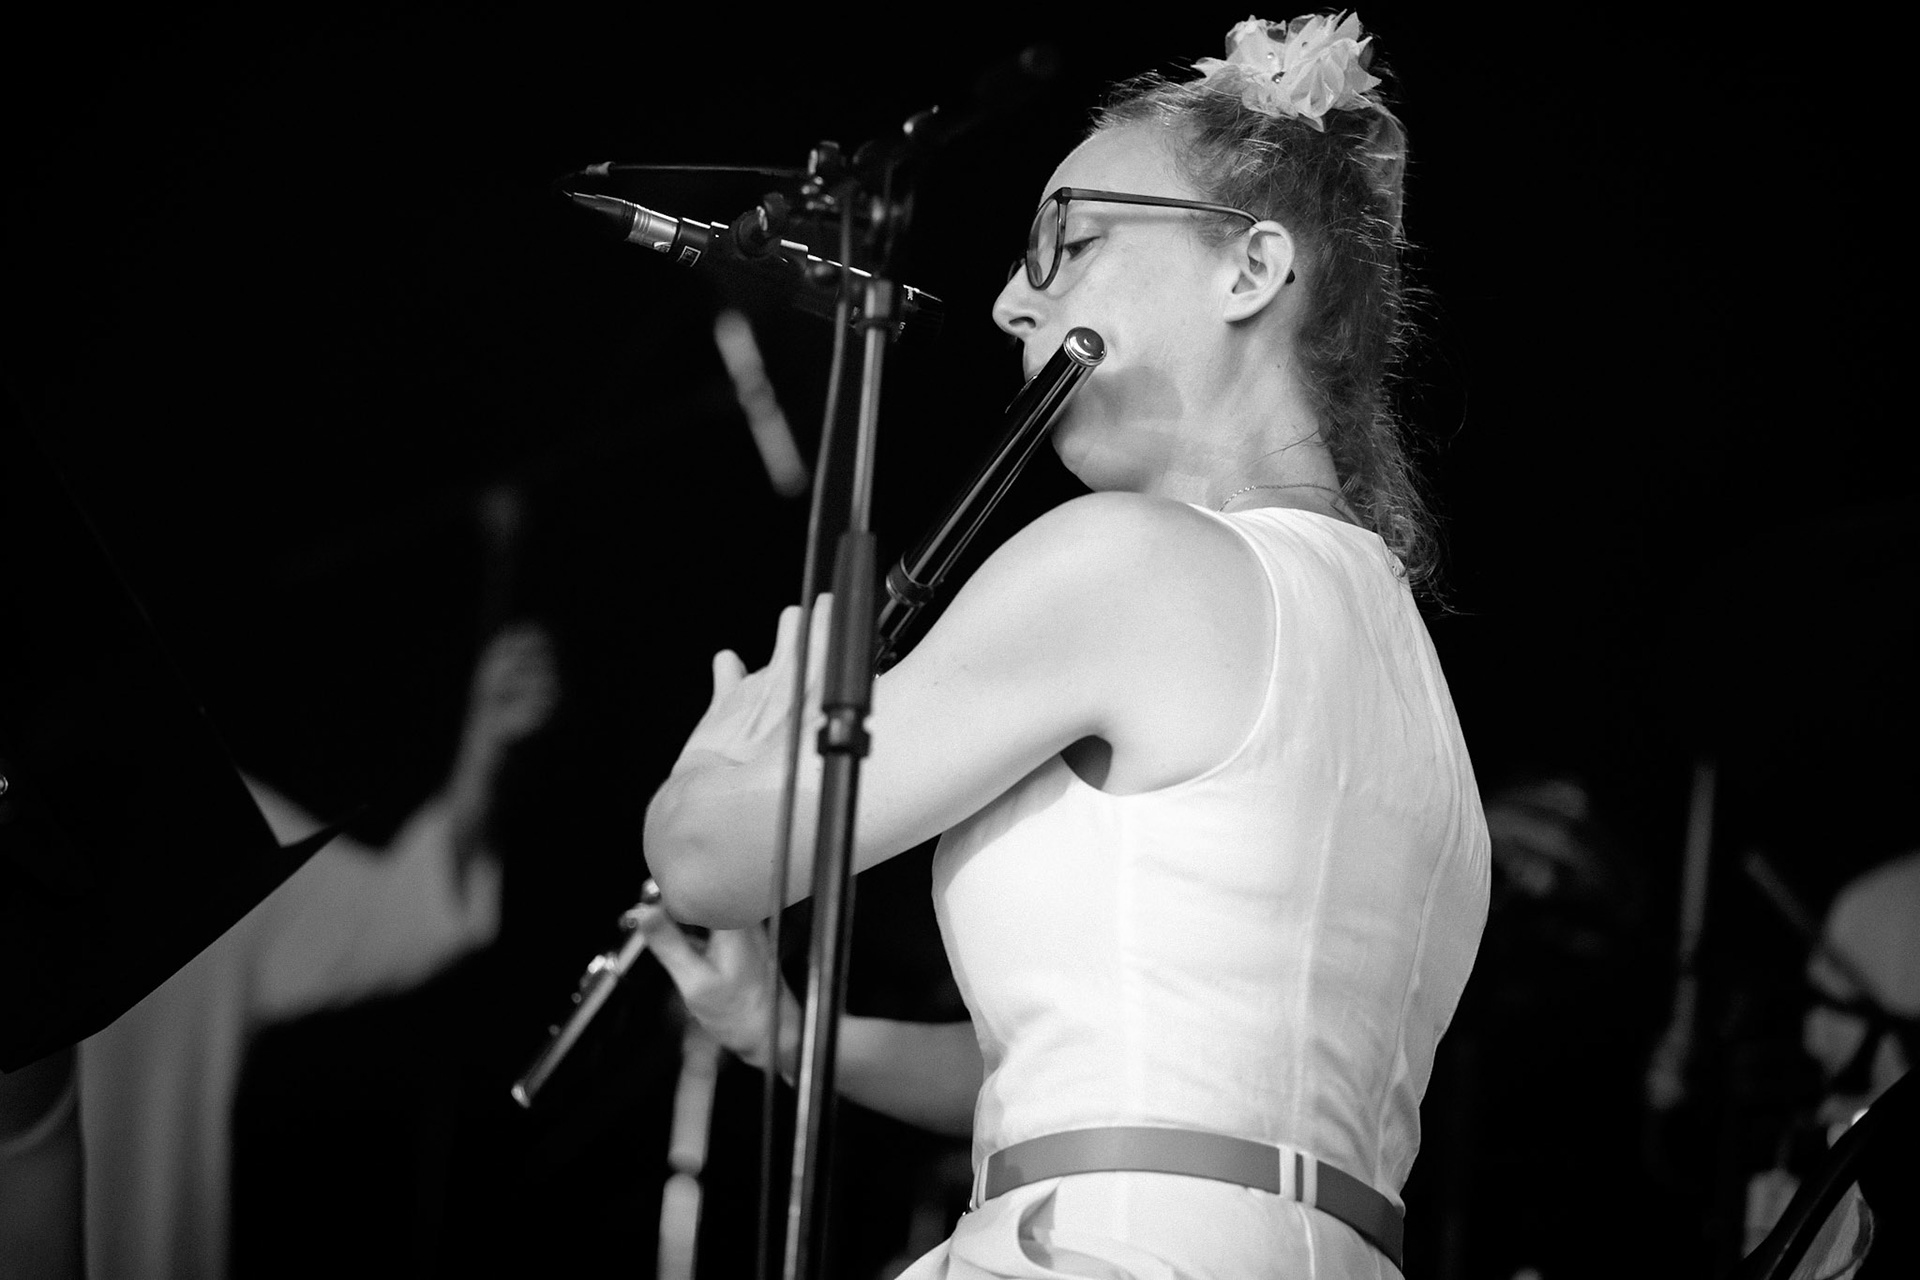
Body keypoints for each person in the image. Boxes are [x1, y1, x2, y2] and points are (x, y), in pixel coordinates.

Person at [639, 13, 1489, 1277]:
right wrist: (798, 1031)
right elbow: (1136, 1079)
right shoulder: (1401, 665)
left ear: (1250, 271)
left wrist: (728, 762)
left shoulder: (1132, 560)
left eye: (1069, 242)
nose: (1005, 299)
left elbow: (712, 859)